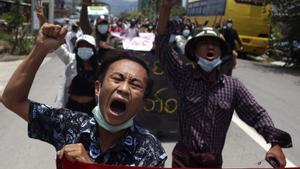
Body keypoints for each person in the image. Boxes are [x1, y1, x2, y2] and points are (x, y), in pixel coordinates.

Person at [1, 23, 167, 166]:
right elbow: (11, 99)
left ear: (144, 102)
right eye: (117, 78)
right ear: (98, 88)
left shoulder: (150, 150)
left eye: (135, 84)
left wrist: (90, 167)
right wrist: (40, 48)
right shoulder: (70, 125)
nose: (124, 89)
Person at [156, 0, 292, 168]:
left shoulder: (233, 86)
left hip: (213, 162)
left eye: (215, 44)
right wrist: (165, 8)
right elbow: (162, 45)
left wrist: (275, 143)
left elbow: (257, 115)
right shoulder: (184, 76)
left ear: (221, 52)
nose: (210, 47)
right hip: (184, 160)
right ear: (193, 51)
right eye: (204, 43)